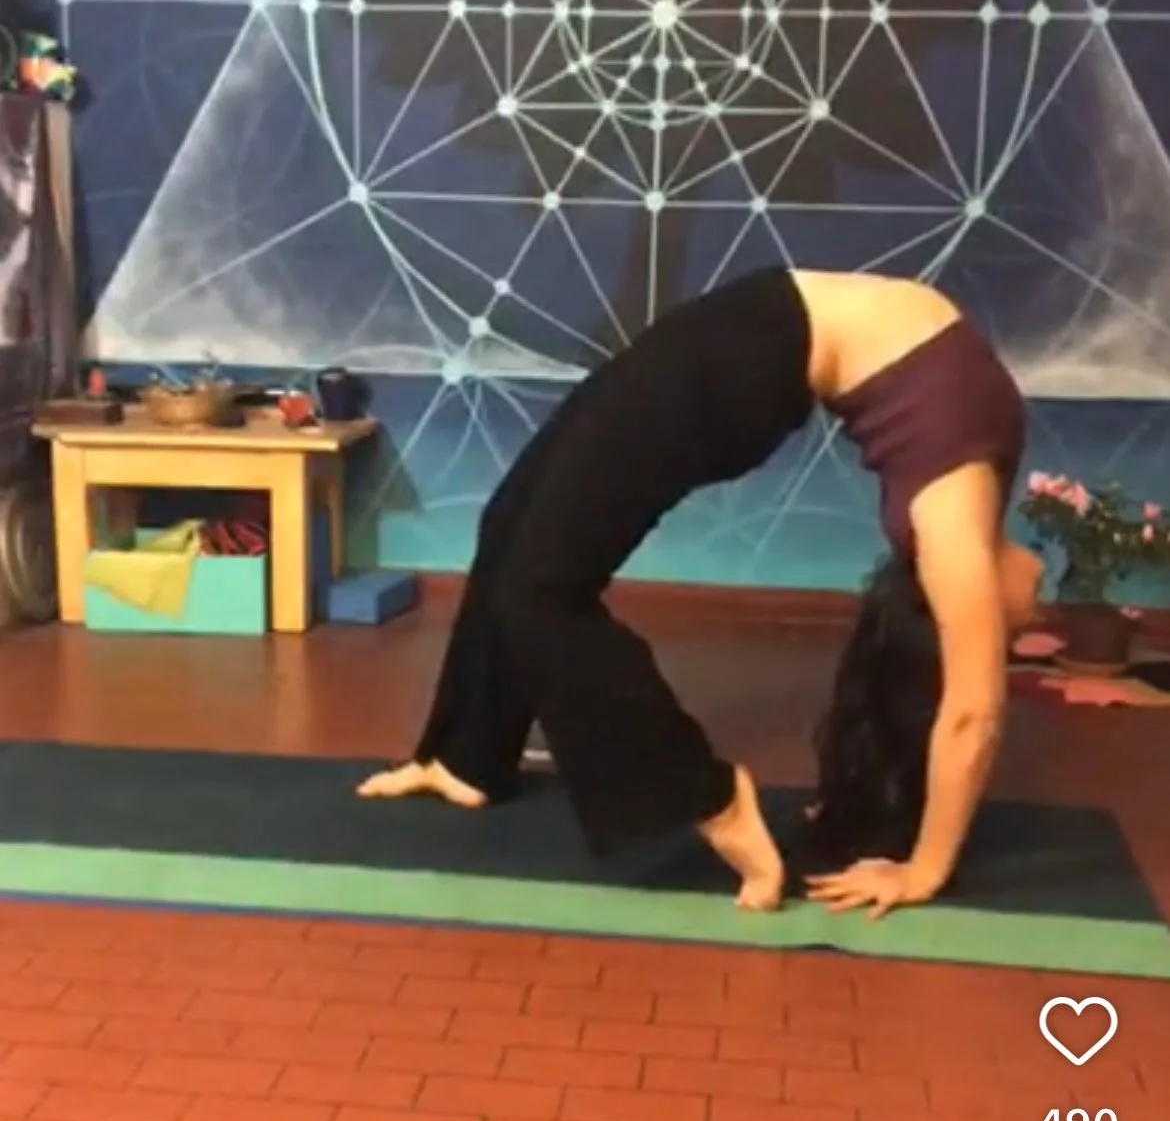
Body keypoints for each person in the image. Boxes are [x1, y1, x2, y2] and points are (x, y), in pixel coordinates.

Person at [359, 266, 1042, 915]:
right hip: (756, 328)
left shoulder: (952, 531)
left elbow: (972, 716)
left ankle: (710, 796)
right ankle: (468, 757)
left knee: (541, 590)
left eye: (997, 630)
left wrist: (924, 870)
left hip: (747, 359)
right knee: (511, 522)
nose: (1022, 620)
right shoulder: (971, 490)